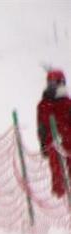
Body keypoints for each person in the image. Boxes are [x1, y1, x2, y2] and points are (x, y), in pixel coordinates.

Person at [36, 68, 71, 198]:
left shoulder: (67, 103)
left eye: (53, 82)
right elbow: (41, 127)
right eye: (49, 82)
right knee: (56, 172)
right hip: (53, 144)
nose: (51, 86)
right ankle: (59, 196)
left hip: (68, 142)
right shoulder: (43, 104)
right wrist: (43, 144)